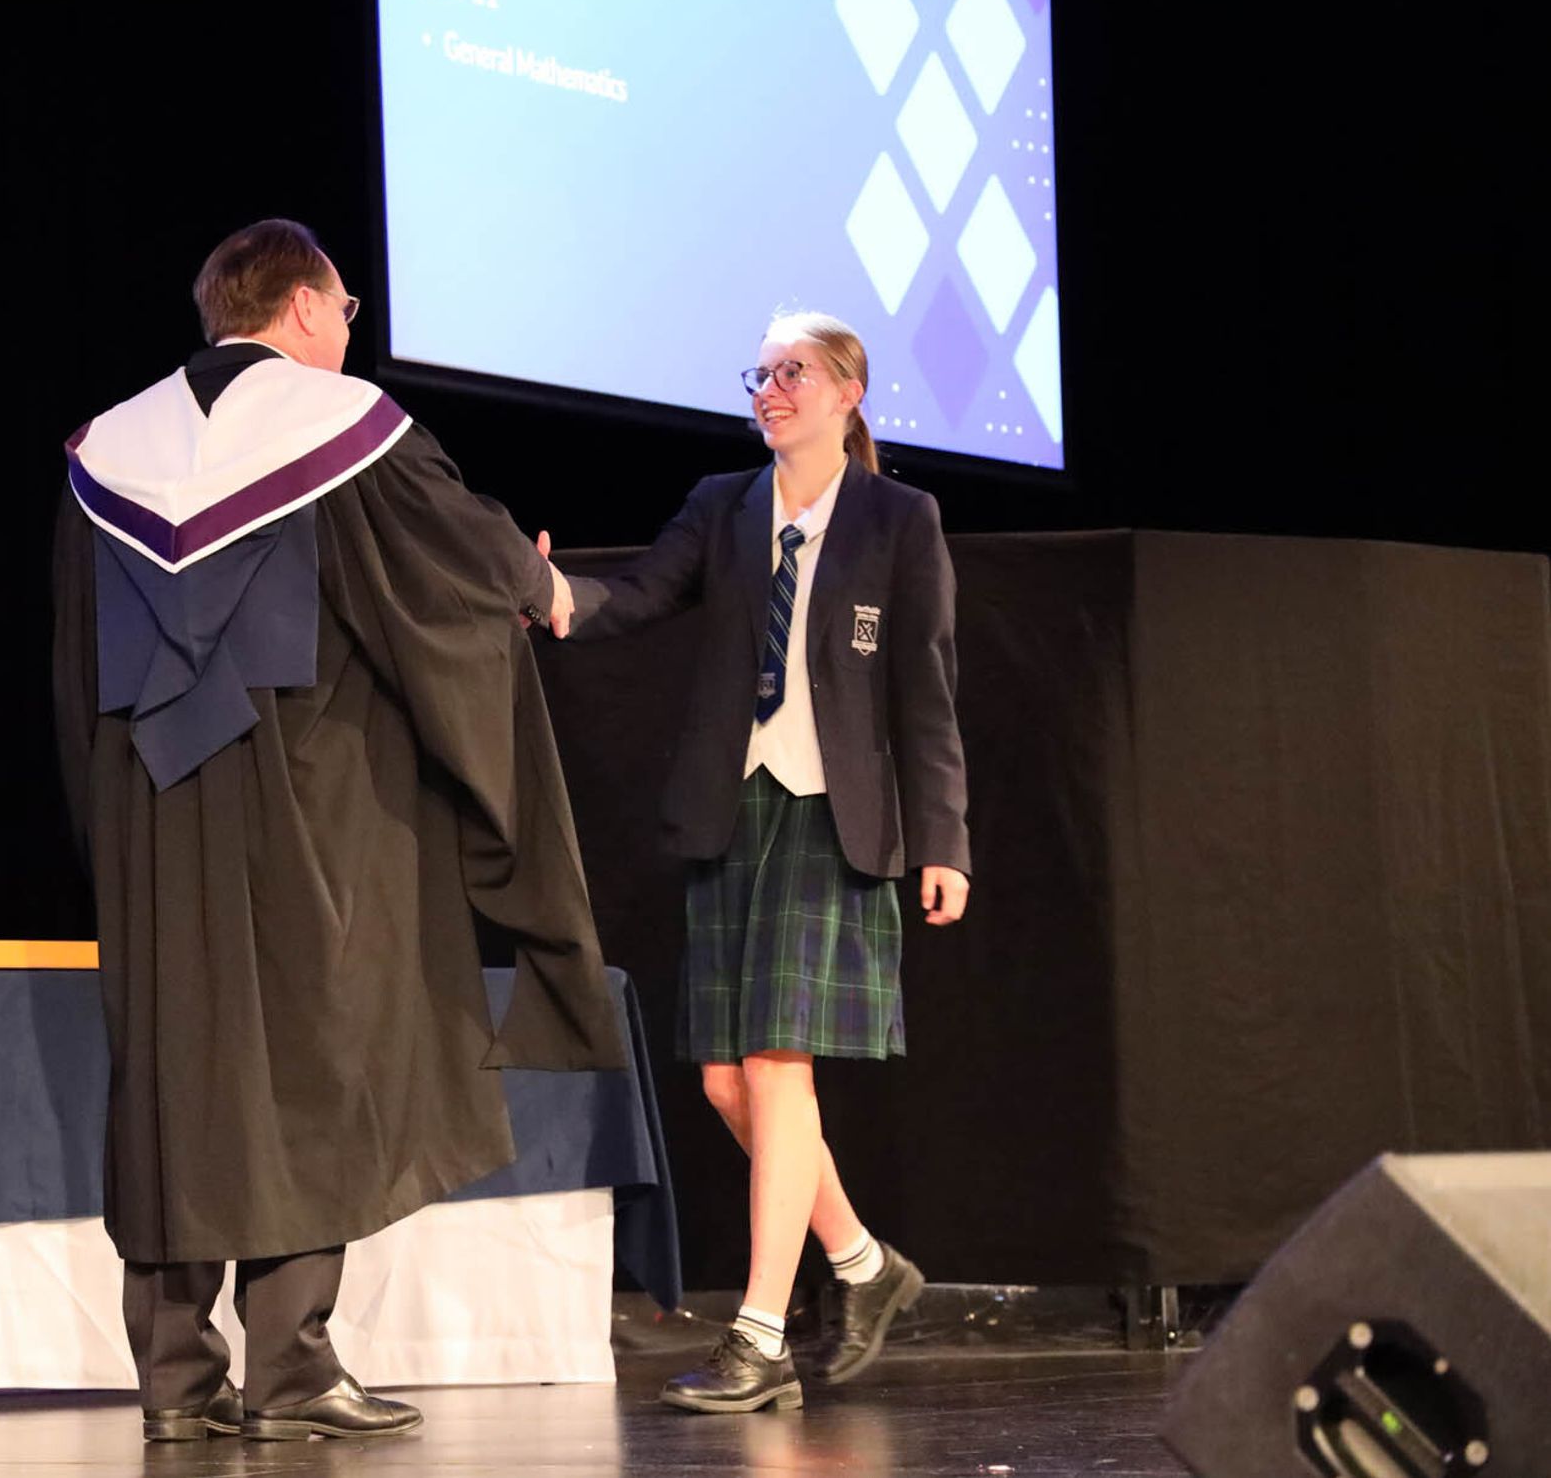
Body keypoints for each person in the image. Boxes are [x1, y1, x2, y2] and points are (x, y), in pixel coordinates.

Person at [52, 218, 628, 1444]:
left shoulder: (108, 450)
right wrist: (545, 591)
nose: (349, 331)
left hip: (152, 803)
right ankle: (292, 1368)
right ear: (307, 308)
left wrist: (104, 826)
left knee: (174, 1066)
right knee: (309, 1050)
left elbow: (71, 665)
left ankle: (175, 1383)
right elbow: (450, 555)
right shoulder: (340, 427)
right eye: (347, 308)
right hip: (305, 795)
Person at [554, 311, 970, 1413]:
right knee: (726, 1082)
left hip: (835, 817)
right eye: (762, 373)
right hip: (732, 810)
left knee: (779, 1070)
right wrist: (553, 598)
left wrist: (944, 842)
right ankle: (863, 1265)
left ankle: (759, 1334)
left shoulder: (898, 517)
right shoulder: (722, 506)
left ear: (848, 392)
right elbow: (637, 594)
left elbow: (925, 691)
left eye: (794, 373)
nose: (770, 390)